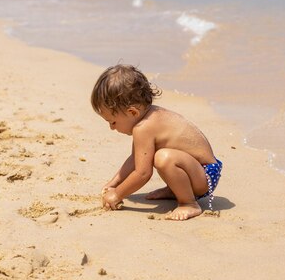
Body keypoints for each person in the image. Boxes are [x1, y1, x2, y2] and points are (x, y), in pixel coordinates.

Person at [91, 64, 222, 220]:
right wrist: (113, 184)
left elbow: (143, 173)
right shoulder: (149, 117)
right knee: (162, 156)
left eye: (113, 122)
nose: (112, 128)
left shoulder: (143, 127)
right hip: (196, 171)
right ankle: (175, 189)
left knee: (163, 158)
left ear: (132, 112)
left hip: (205, 175)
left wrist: (117, 194)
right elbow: (135, 159)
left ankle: (189, 203)